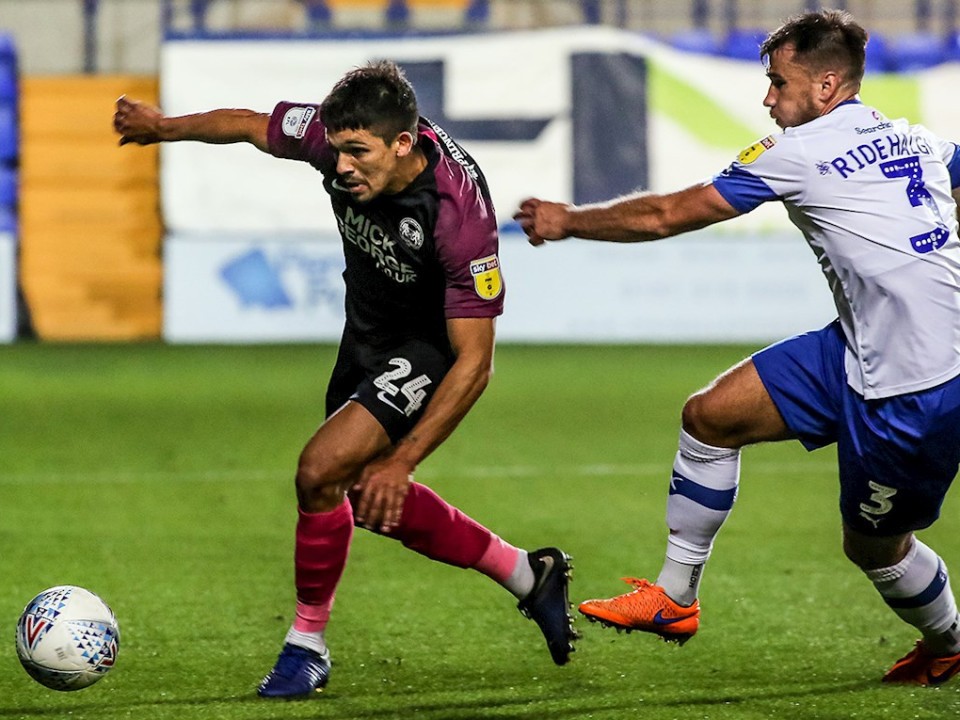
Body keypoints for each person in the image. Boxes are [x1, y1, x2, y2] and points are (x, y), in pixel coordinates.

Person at [515, 9, 960, 686]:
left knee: (876, 548)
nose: (768, 98)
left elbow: (666, 215)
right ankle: (674, 598)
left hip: (918, 387)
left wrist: (568, 220)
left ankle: (949, 639)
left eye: (779, 82)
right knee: (711, 416)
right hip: (854, 348)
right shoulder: (914, 138)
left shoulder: (797, 153)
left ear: (826, 85)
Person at [114, 60, 577, 698]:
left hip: (428, 345)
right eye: (336, 151)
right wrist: (164, 127)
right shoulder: (334, 137)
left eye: (358, 153)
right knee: (355, 492)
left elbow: (475, 361)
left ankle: (306, 645)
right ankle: (529, 574)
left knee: (318, 470)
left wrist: (405, 461)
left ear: (403, 143)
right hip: (366, 334)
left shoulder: (458, 213)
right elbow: (249, 124)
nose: (342, 166)